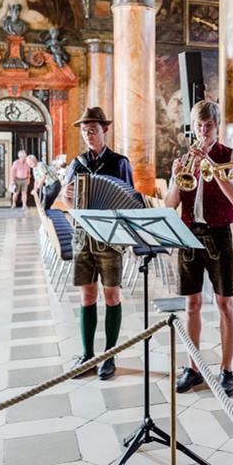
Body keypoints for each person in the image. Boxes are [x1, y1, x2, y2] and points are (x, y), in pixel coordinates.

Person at [164, 100, 233, 397]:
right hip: (188, 234)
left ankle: (226, 369)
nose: (203, 131)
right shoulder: (185, 159)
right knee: (191, 304)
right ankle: (193, 368)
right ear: (193, 128)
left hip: (219, 234)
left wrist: (215, 169)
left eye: (208, 126)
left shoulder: (228, 156)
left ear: (216, 127)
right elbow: (171, 203)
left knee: (225, 304)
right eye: (199, 126)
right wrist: (175, 176)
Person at [63, 107, 133, 380]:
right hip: (82, 237)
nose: (88, 135)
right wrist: (67, 195)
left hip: (110, 238)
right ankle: (87, 354)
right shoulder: (76, 164)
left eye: (93, 130)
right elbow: (70, 206)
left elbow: (130, 200)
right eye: (84, 131)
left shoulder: (119, 162)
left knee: (111, 296)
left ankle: (109, 355)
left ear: (105, 129)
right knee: (87, 295)